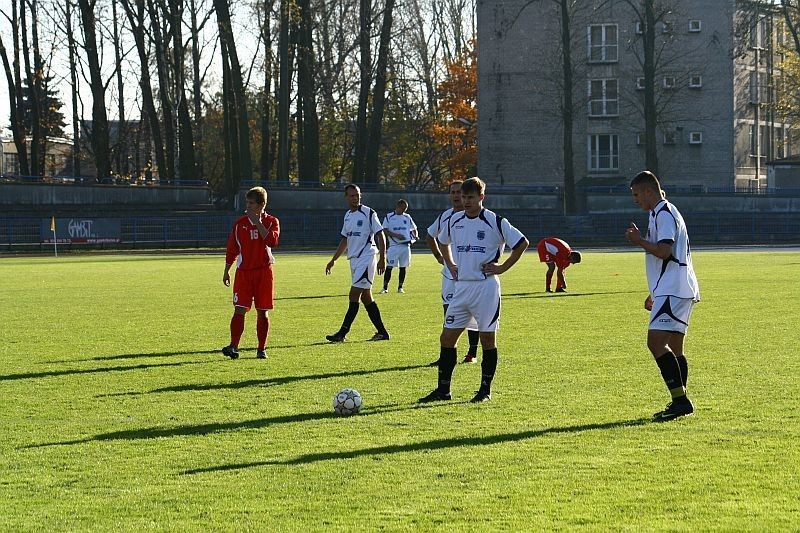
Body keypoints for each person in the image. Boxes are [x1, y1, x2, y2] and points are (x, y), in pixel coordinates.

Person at [418, 177, 529, 403]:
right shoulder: (454, 220)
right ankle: (443, 391)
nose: (465, 201)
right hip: (461, 288)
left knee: (488, 339)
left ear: (481, 197)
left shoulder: (495, 221)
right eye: (463, 197)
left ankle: (484, 391)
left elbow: (522, 243)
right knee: (447, 338)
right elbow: (442, 241)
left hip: (486, 289)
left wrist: (502, 267)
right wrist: (449, 263)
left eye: (470, 197)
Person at [625, 170, 700, 422]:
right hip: (675, 287)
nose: (635, 199)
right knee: (675, 347)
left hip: (674, 288)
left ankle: (680, 401)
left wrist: (639, 241)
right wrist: (654, 292)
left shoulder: (664, 213)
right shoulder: (661, 213)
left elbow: (665, 252)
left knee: (656, 343)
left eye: (637, 194)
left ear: (649, 191)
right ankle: (679, 400)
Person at [325, 184, 391, 342]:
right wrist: (333, 260)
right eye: (352, 195)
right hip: (354, 261)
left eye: (357, 195)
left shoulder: (368, 213)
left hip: (367, 258)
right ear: (346, 197)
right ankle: (383, 333)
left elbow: (380, 234)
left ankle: (342, 333)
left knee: (354, 294)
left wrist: (383, 257)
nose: (355, 198)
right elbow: (345, 239)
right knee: (366, 297)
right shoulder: (348, 215)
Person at [222, 186, 281, 360]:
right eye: (246, 203)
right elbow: (232, 249)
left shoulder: (272, 221)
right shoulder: (239, 224)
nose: (248, 206)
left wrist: (257, 222)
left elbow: (272, 241)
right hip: (244, 273)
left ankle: (261, 349)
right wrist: (226, 270)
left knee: (262, 311)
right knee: (239, 309)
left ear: (262, 204)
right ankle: (233, 346)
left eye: (252, 203)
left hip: (263, 272)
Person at [426, 180, 481, 365]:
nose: (457, 196)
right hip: (450, 275)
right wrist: (439, 257)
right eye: (454, 192)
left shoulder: (477, 217)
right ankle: (447, 355)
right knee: (448, 312)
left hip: (471, 276)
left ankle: (472, 353)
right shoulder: (445, 217)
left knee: (473, 313)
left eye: (460, 193)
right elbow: (430, 235)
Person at [380, 199, 418, 294]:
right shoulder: (389, 217)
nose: (404, 211)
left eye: (406, 209)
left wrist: (415, 236)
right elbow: (384, 230)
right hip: (394, 246)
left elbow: (414, 228)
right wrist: (396, 235)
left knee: (403, 267)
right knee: (389, 267)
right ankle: (385, 287)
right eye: (403, 208)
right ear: (398, 206)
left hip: (405, 246)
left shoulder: (407, 217)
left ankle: (400, 287)